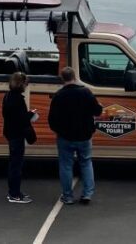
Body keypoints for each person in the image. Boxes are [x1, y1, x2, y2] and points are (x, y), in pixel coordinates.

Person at [48, 67, 103, 205]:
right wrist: (99, 107)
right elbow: (97, 111)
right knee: (86, 162)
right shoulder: (85, 92)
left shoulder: (58, 96)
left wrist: (58, 131)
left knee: (66, 165)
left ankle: (68, 196)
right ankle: (87, 194)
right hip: (84, 136)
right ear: (74, 77)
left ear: (62, 79)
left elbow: (52, 119)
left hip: (65, 137)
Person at [2, 71, 38, 203]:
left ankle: (14, 192)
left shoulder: (7, 96)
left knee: (14, 164)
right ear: (21, 84)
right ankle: (15, 195)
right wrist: (30, 114)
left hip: (10, 133)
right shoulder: (18, 99)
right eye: (25, 84)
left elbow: (10, 116)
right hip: (17, 134)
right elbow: (21, 119)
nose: (26, 86)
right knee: (16, 166)